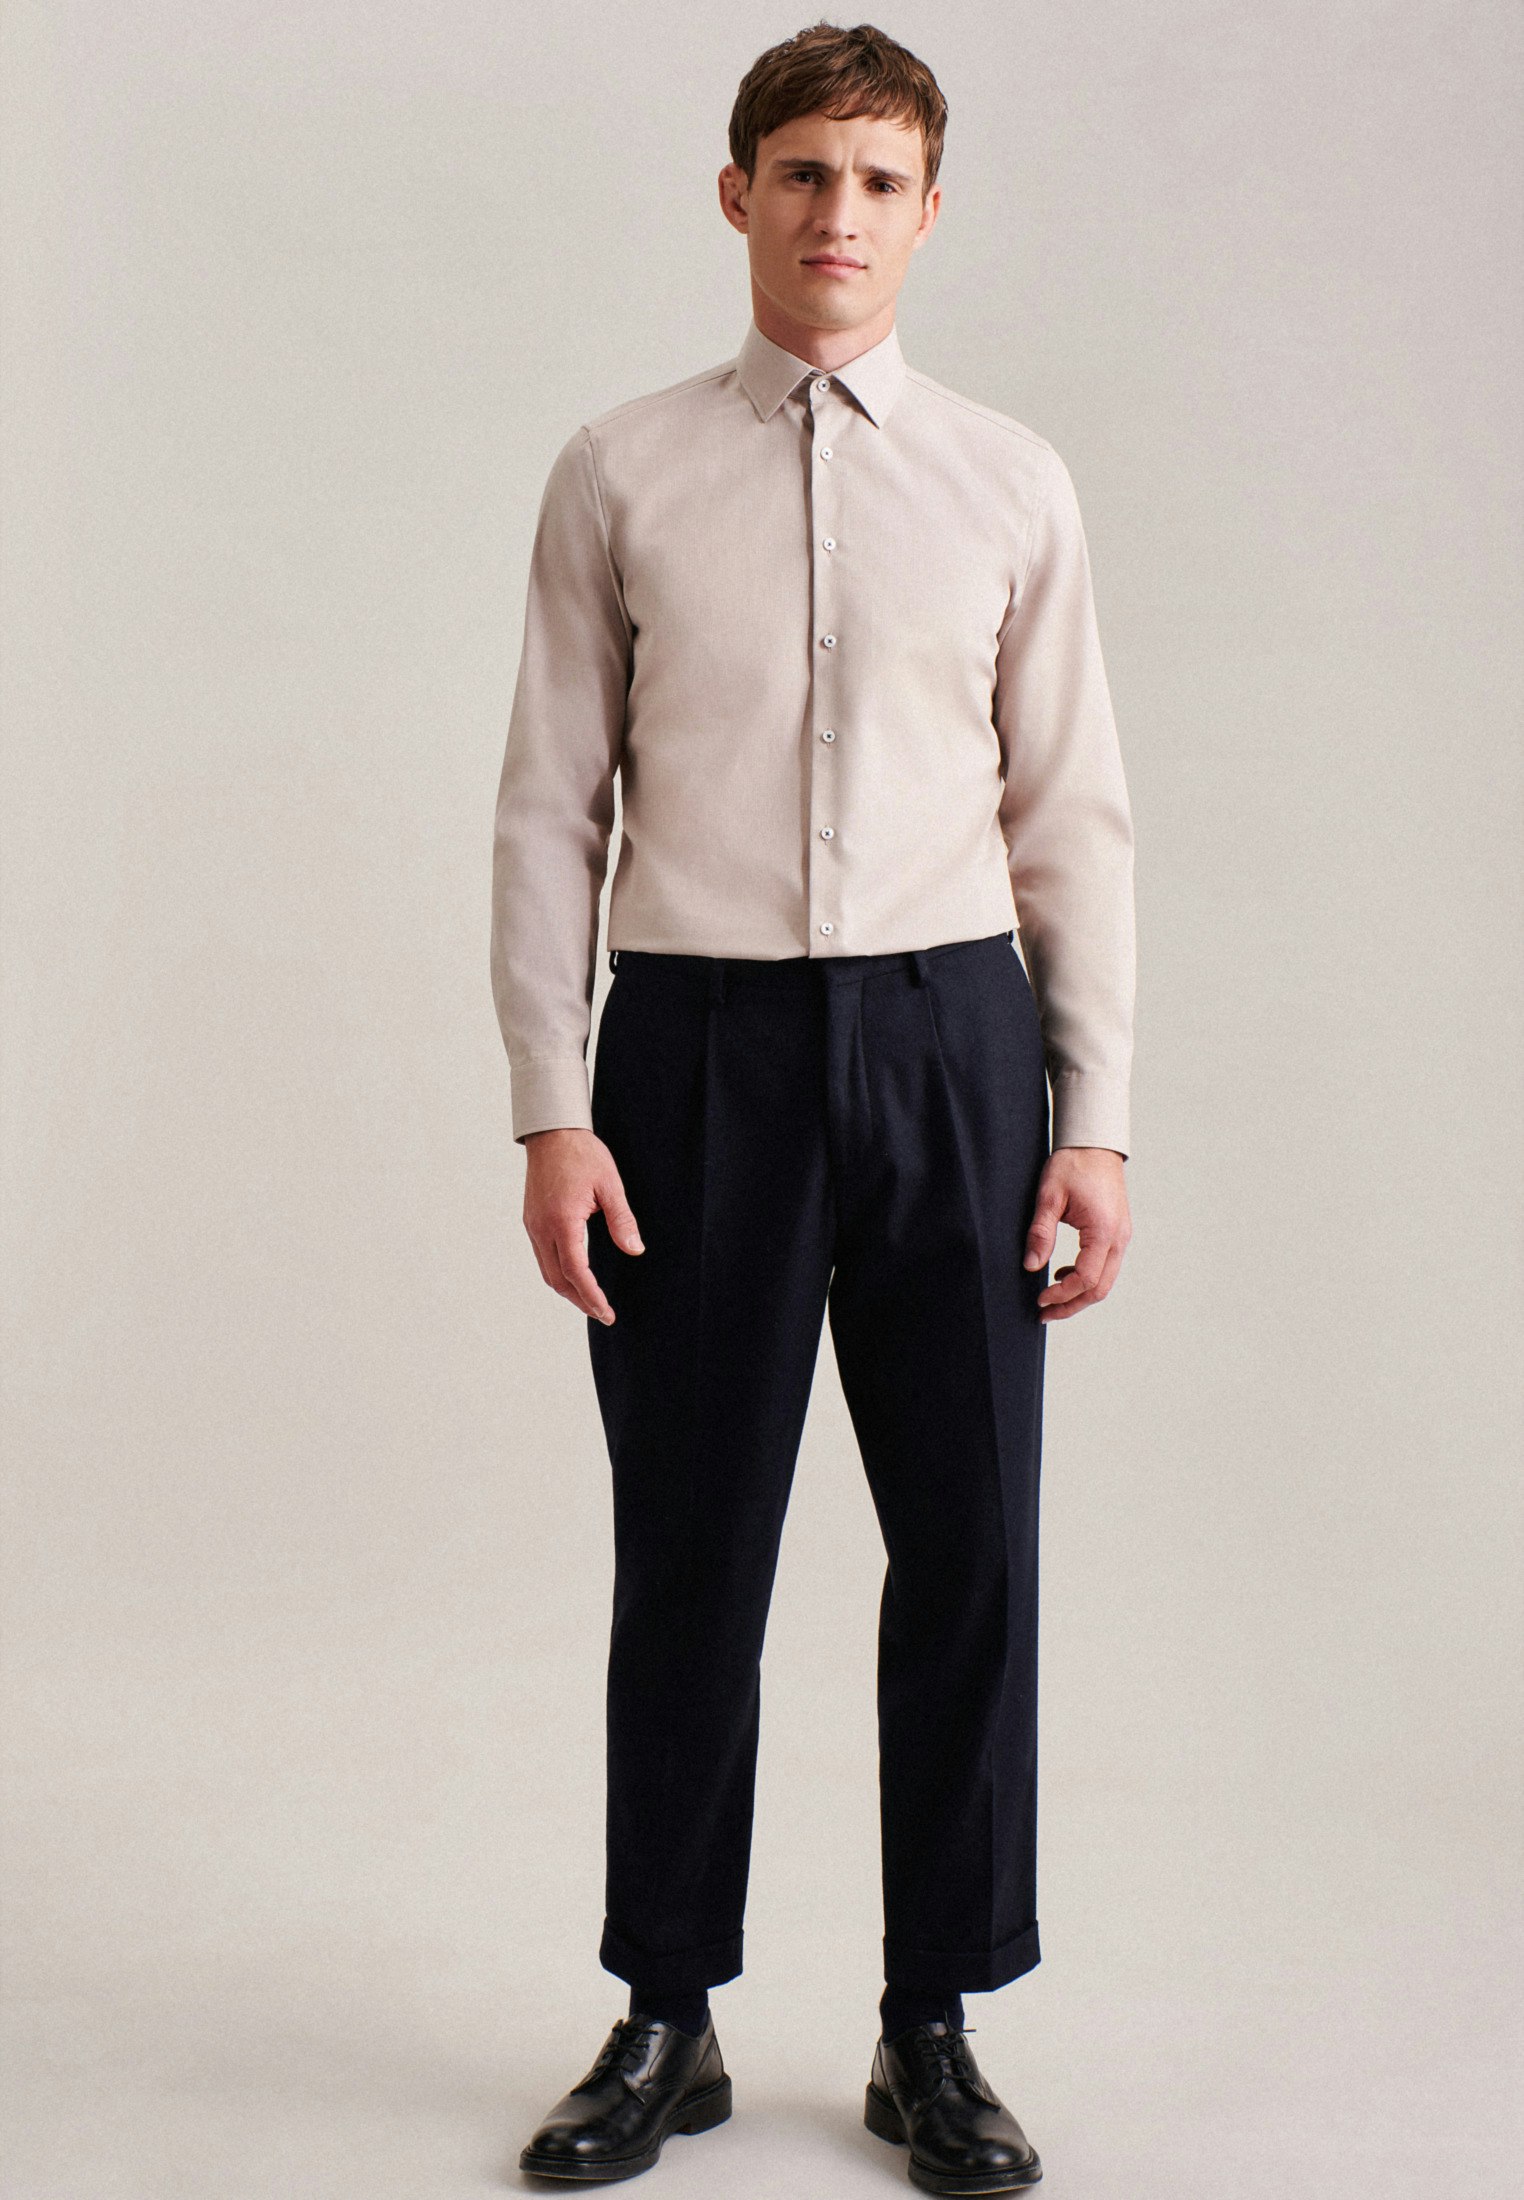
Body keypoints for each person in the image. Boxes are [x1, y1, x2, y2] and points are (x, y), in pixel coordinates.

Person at [491, 21, 1135, 2191]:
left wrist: (1093, 1117)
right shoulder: (620, 470)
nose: (835, 213)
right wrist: (551, 1104)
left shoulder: (1012, 481)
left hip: (958, 1043)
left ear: (928, 212)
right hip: (695, 1054)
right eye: (800, 172)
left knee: (969, 1546)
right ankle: (666, 2008)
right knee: (692, 1549)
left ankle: (932, 2017)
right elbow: (548, 805)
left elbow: (1073, 816)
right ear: (737, 194)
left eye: (876, 179)